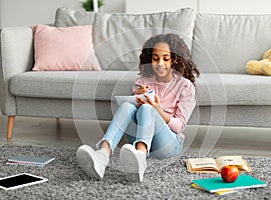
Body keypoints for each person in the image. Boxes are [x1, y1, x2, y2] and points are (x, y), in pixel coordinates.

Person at [76, 33, 200, 182]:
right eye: (155, 58)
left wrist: (158, 109)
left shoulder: (185, 86)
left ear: (174, 59)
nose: (160, 63)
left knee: (149, 109)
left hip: (168, 143)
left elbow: (179, 127)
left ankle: (140, 158)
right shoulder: (141, 82)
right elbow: (133, 115)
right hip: (140, 136)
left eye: (165, 58)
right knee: (128, 107)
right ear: (150, 58)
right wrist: (138, 96)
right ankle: (102, 155)